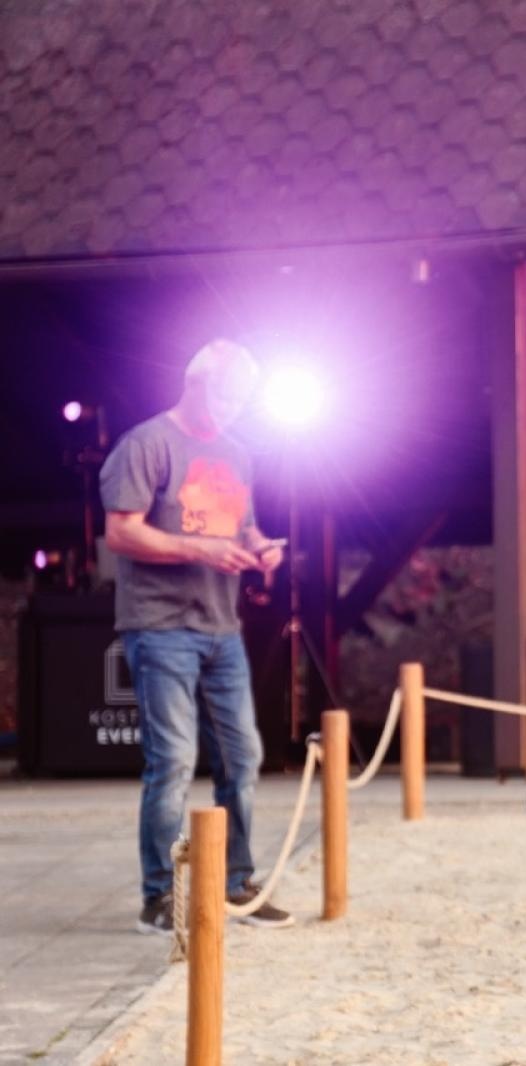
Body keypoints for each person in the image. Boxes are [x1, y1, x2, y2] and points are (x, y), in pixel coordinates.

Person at [100, 339, 293, 935]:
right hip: (160, 626)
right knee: (174, 760)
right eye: (229, 393)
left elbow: (242, 523)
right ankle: (158, 895)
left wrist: (259, 549)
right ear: (196, 382)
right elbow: (121, 534)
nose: (236, 407)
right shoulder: (147, 443)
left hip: (221, 626)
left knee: (244, 755)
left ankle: (236, 883)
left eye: (245, 398)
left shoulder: (238, 454)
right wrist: (201, 548)